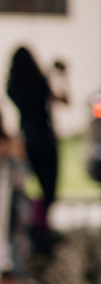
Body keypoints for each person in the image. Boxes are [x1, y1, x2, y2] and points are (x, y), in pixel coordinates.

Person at [5, 47, 62, 233]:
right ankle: (42, 223)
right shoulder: (40, 82)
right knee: (49, 184)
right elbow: (57, 98)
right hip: (45, 135)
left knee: (30, 184)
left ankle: (35, 222)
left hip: (28, 137)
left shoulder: (13, 86)